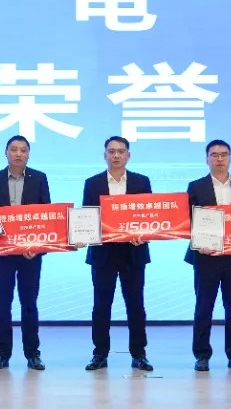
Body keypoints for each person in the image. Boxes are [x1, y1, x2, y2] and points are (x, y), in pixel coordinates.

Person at [83, 136, 154, 372]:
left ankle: (139, 354)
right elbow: (87, 217)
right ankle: (100, 354)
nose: (116, 155)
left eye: (120, 151)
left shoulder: (141, 182)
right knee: (101, 306)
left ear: (128, 155)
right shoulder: (92, 183)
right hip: (103, 253)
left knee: (136, 306)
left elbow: (148, 217)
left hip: (133, 252)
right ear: (104, 155)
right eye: (111, 151)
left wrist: (144, 234)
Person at [0, 135, 51, 371]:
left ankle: (33, 353)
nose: (18, 154)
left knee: (29, 303)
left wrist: (37, 246)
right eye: (14, 149)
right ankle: (1, 354)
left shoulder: (39, 179)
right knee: (3, 304)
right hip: (2, 253)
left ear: (28, 154)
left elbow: (47, 216)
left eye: (23, 150)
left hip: (31, 254)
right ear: (6, 153)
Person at [185, 139, 231, 372]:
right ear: (207, 159)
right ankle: (202, 355)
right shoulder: (196, 186)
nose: (219, 159)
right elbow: (189, 221)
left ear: (230, 158)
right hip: (206, 257)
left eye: (224, 154)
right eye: (214, 155)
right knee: (204, 307)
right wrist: (199, 243)